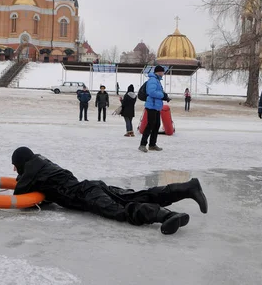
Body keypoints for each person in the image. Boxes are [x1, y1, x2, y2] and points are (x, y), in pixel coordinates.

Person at [11, 147, 208, 235]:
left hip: (86, 195)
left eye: (15, 166)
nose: (14, 170)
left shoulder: (31, 172)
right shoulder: (45, 163)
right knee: (137, 195)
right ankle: (185, 188)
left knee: (121, 211)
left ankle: (163, 215)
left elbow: (19, 197)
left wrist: (21, 177)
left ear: (21, 164)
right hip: (93, 186)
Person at [139, 65, 170, 153]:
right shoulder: (153, 80)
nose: (163, 74)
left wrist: (165, 97)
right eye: (162, 72)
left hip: (156, 106)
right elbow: (151, 92)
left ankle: (152, 144)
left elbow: (158, 92)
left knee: (156, 125)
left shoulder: (157, 80)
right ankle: (142, 144)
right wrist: (162, 95)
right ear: (159, 72)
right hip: (151, 106)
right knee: (150, 125)